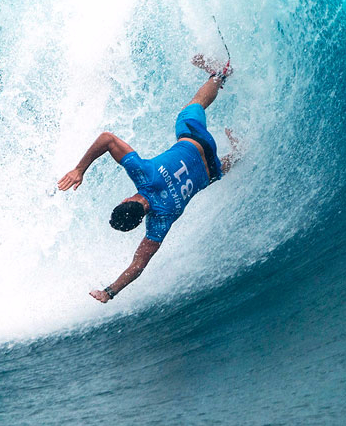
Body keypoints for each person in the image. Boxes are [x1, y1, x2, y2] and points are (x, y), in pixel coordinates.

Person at [57, 55, 241, 303]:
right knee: (192, 108)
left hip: (210, 168)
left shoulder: (161, 221)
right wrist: (79, 169)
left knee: (213, 172)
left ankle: (239, 153)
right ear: (125, 200)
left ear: (140, 221)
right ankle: (219, 75)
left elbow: (139, 264)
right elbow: (107, 139)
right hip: (197, 141)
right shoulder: (143, 174)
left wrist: (109, 292)